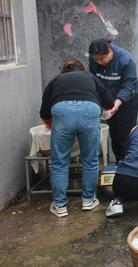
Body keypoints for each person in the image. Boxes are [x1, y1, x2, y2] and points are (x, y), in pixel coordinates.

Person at [40, 59, 115, 218]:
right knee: (91, 159)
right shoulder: (90, 77)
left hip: (62, 112)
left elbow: (44, 112)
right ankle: (88, 200)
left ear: (63, 70)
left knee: (59, 162)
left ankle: (60, 205)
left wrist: (54, 126)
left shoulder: (55, 80)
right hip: (89, 111)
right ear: (81, 69)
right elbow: (108, 103)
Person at [88, 38, 138, 163]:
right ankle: (118, 163)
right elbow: (94, 81)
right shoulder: (93, 60)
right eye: (96, 59)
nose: (99, 62)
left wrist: (116, 105)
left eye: (102, 59)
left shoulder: (125, 60)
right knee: (114, 135)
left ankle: (127, 165)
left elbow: (129, 86)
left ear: (109, 51)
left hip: (127, 101)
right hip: (108, 99)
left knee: (125, 135)